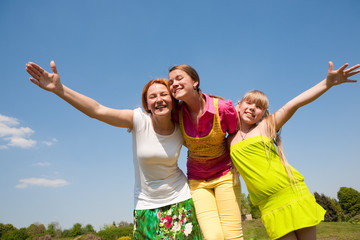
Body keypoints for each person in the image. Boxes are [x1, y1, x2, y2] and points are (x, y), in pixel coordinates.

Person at [25, 61, 202, 240]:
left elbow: (205, 145)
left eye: (164, 94)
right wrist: (59, 89)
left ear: (173, 100)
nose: (159, 100)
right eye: (153, 96)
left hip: (181, 200)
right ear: (147, 105)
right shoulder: (138, 120)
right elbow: (97, 110)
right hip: (146, 205)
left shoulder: (181, 128)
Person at [228, 61, 360, 240]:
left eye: (259, 107)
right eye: (249, 103)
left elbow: (294, 104)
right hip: (269, 205)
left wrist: (327, 83)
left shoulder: (265, 128)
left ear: (263, 113)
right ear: (238, 105)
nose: (252, 108)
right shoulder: (228, 140)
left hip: (292, 193)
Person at [168, 65, 243, 240]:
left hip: (225, 176)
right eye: (171, 82)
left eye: (179, 78)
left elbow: (235, 133)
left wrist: (236, 162)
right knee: (213, 237)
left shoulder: (223, 108)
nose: (174, 84)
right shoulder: (176, 114)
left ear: (195, 81)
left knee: (232, 235)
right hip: (197, 181)